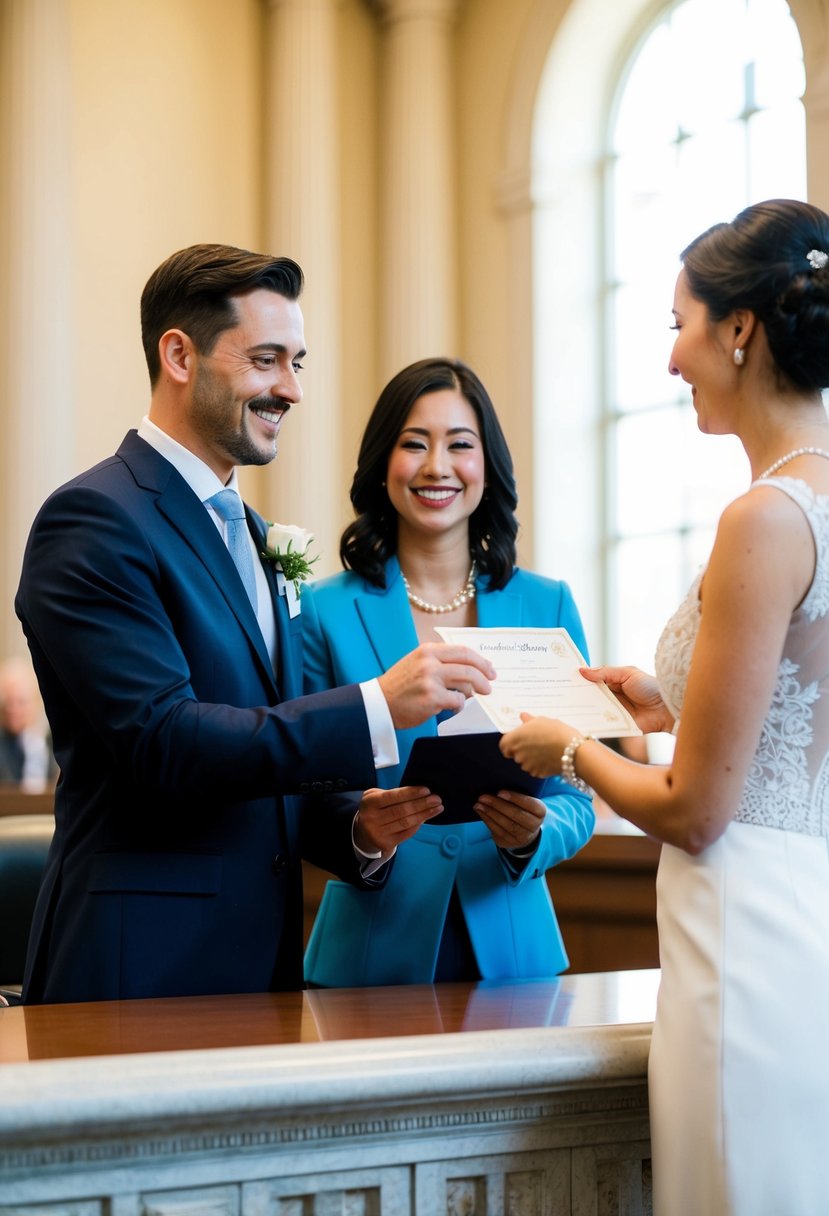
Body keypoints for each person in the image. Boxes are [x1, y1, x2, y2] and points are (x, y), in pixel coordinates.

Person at [14, 245, 495, 1006]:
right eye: (267, 360)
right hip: (136, 965)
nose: (291, 390)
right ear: (179, 354)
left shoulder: (258, 534)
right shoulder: (95, 519)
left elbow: (263, 754)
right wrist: (375, 703)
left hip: (259, 966)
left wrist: (356, 832)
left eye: (297, 362)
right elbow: (163, 742)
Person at [500, 198, 829, 1216]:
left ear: (740, 329)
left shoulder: (764, 517)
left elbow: (695, 810)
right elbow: (795, 709)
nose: (671, 360)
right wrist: (659, 697)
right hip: (804, 903)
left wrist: (566, 750)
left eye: (679, 324)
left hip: (743, 935)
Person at [301, 357, 595, 986]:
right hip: (369, 952)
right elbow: (297, 786)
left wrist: (533, 835)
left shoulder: (548, 606)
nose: (437, 466)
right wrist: (362, 831)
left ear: (486, 467)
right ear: (384, 464)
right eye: (414, 444)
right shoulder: (320, 612)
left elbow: (578, 792)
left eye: (460, 445)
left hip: (515, 952)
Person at [0, 656, 56, 792]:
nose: (14, 710)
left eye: (21, 702)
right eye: (8, 702)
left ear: (36, 702)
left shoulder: (51, 740)